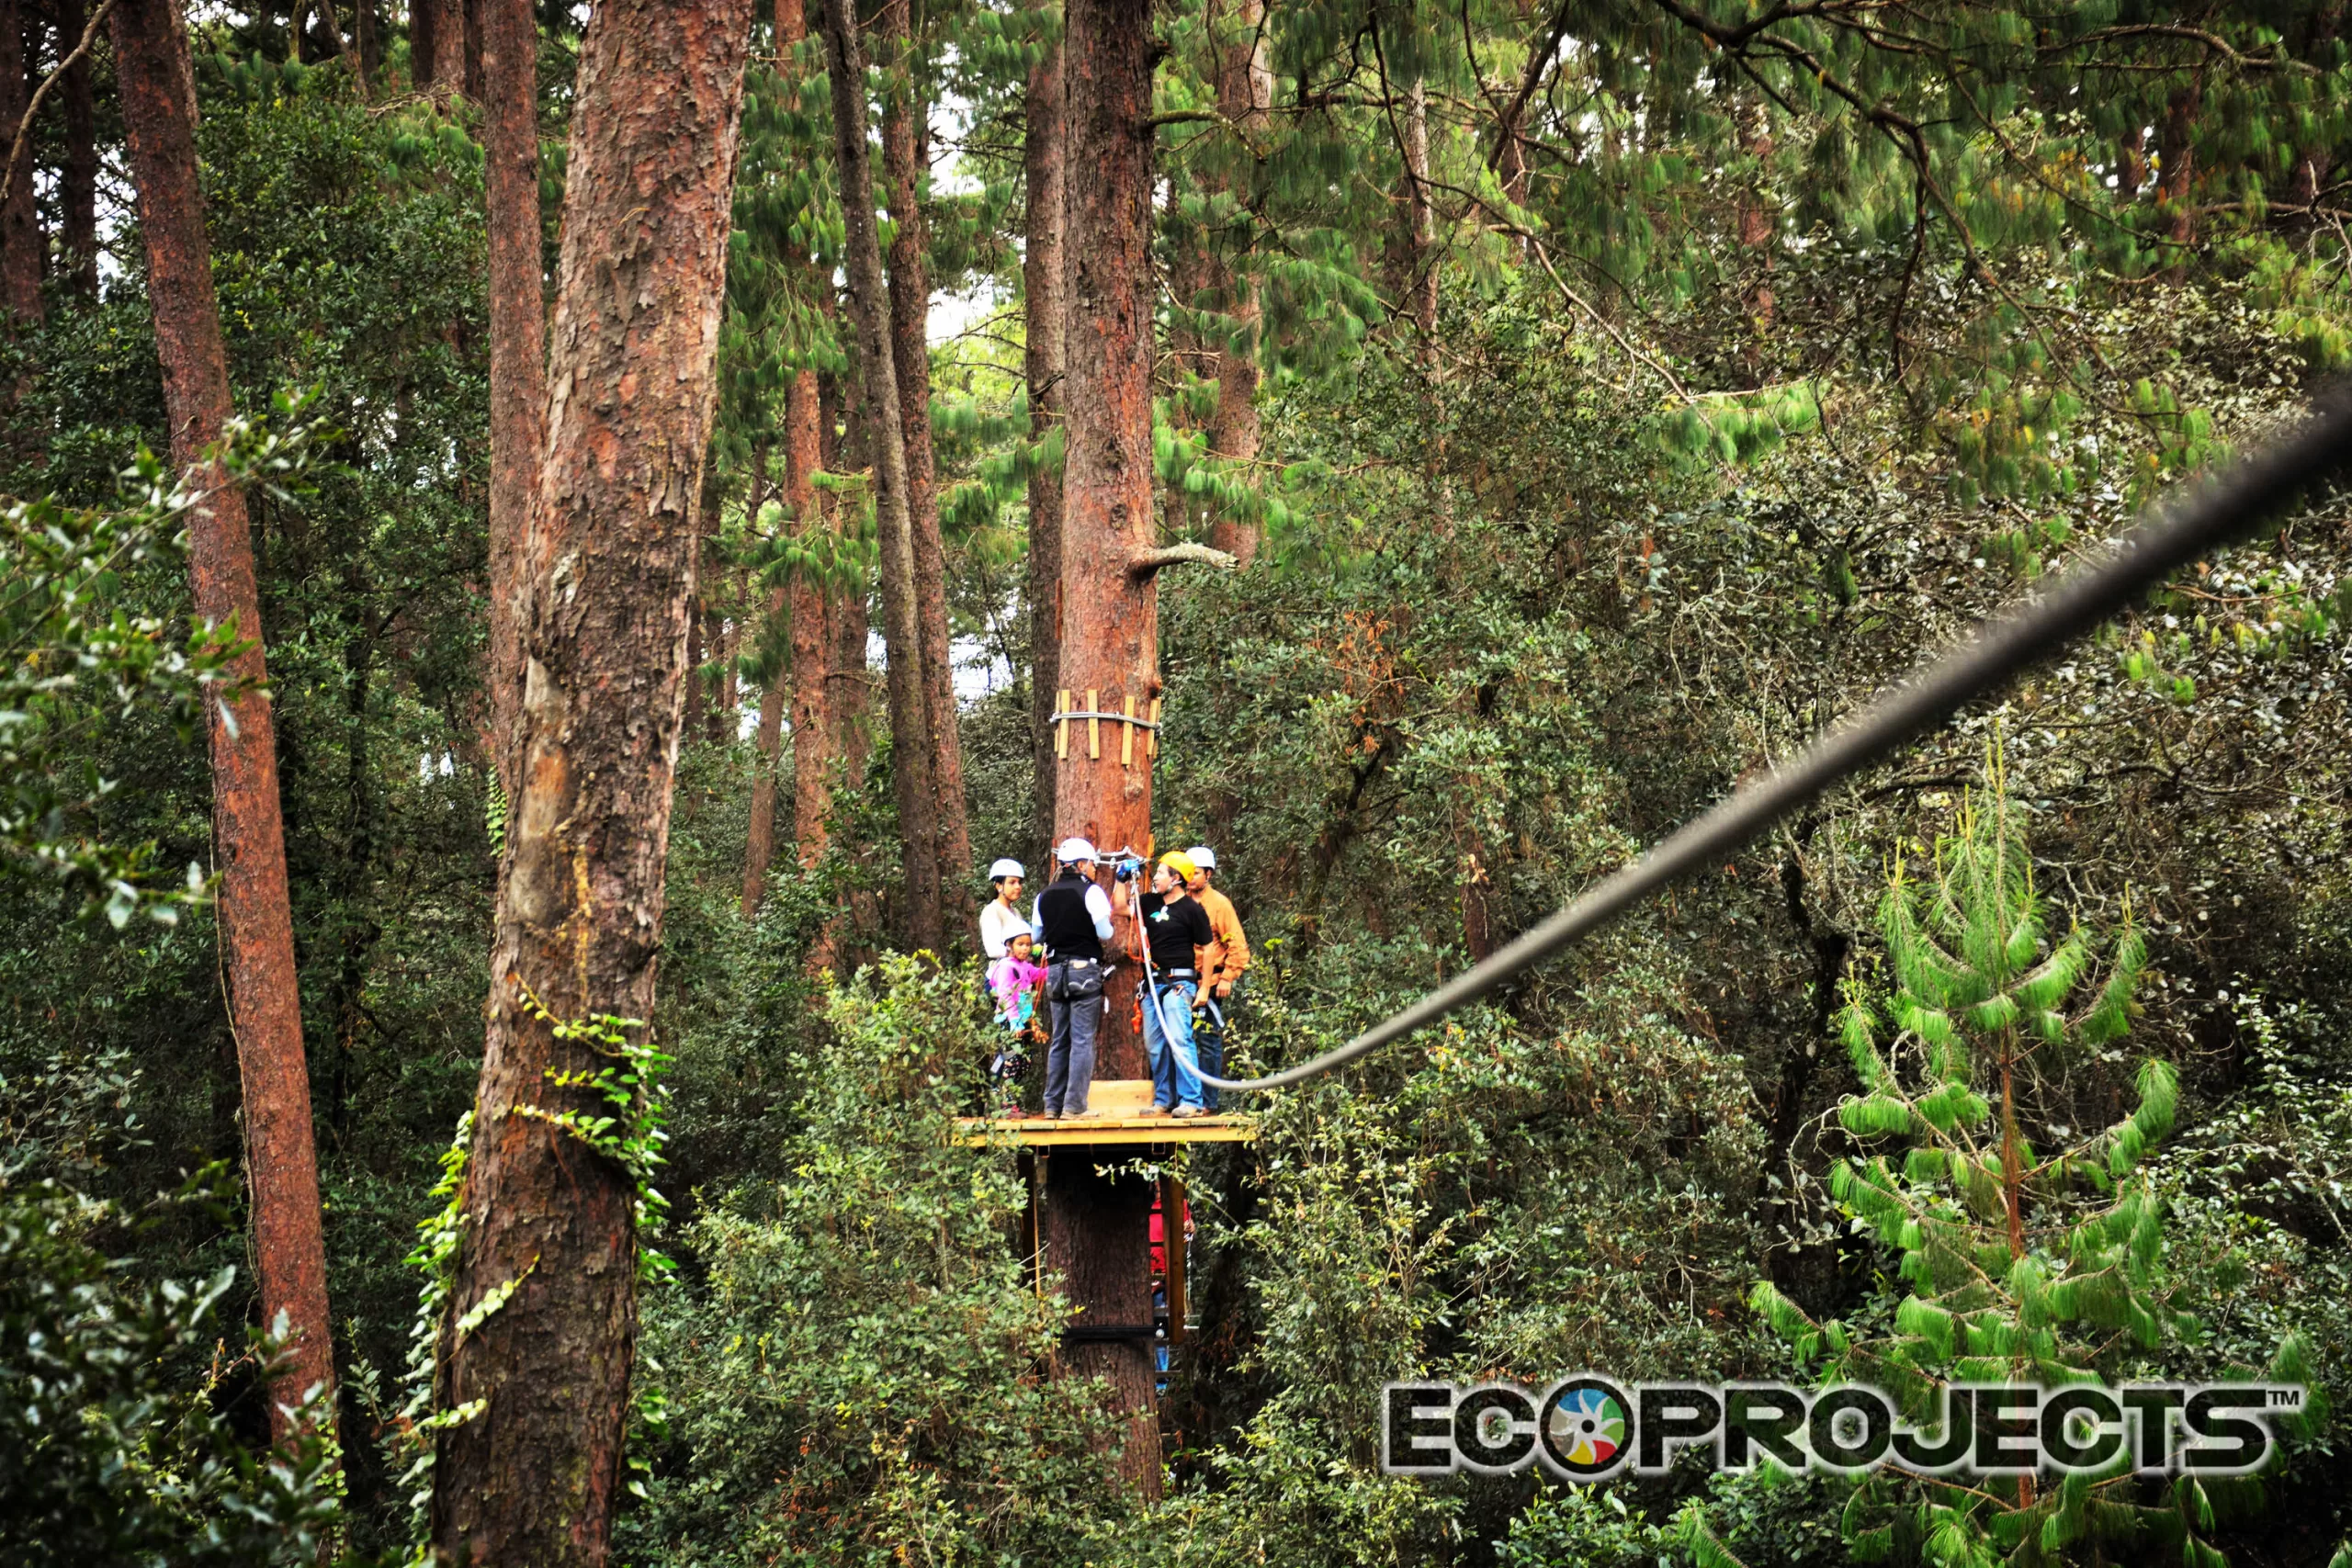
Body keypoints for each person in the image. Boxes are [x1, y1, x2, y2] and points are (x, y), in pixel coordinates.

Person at [1114, 851, 1216, 1119]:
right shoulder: (1149, 902)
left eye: (1161, 873)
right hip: (1152, 983)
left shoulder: (1193, 910)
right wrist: (1121, 880)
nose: (1156, 877)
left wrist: (1204, 988)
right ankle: (1164, 1099)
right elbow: (1121, 908)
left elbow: (1208, 948)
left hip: (1180, 983)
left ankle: (1191, 1100)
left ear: (1176, 879)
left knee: (1180, 1040)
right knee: (1155, 1044)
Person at [1034, 837, 1114, 1119]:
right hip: (1083, 969)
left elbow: (1035, 937)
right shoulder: (1091, 892)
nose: (1093, 868)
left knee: (1060, 1039)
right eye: (1091, 863)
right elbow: (1106, 933)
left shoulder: (1043, 896)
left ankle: (1052, 1105)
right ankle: (1074, 1106)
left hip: (1055, 971)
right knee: (1081, 1040)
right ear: (1080, 864)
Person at [1185, 846, 1249, 1111]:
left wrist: (1227, 977)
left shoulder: (1219, 905)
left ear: (1208, 874)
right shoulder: (1178, 901)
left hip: (1209, 983)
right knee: (1180, 1040)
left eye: (1196, 873)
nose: (1190, 878)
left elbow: (1238, 944)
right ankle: (1184, 1098)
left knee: (1208, 1042)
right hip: (1181, 981)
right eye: (1188, 873)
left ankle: (1208, 1102)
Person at [984, 931, 1046, 1118]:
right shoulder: (1006, 967)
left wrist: (1053, 961)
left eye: (1028, 944)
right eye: (1020, 944)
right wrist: (1014, 1023)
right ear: (1009, 945)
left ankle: (1008, 1102)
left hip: (1023, 1021)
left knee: (1024, 1062)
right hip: (1009, 1023)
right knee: (1010, 1060)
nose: (1025, 948)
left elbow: (1039, 974)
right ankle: (1003, 1104)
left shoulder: (1024, 966)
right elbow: (1005, 995)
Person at [980, 858, 1029, 959]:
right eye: (1012, 882)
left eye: (1019, 882)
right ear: (999, 886)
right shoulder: (992, 911)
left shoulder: (1016, 912)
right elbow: (993, 949)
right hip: (1002, 972)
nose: (1018, 887)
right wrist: (1014, 953)